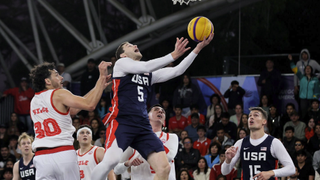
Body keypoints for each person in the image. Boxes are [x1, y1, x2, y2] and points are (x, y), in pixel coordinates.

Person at [92, 35, 213, 180]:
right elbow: (145, 65)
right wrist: (173, 55)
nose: (134, 45)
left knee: (164, 168)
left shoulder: (148, 75)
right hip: (123, 122)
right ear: (123, 55)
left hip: (143, 126)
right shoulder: (121, 64)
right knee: (111, 161)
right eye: (129, 45)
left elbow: (178, 71)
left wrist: (197, 49)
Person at [29, 60, 111, 179]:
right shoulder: (59, 93)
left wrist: (98, 87)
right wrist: (101, 78)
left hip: (41, 158)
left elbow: (74, 109)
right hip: (63, 154)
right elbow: (90, 105)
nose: (61, 78)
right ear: (47, 81)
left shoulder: (33, 101)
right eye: (56, 75)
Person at [221, 107, 295, 179]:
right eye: (250, 116)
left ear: (264, 121)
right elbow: (224, 172)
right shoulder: (240, 143)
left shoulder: (274, 142)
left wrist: (270, 173)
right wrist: (228, 160)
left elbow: (291, 169)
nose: (251, 117)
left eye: (256, 115)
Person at [113, 104, 179, 180]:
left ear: (164, 122)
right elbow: (117, 170)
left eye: (163, 112)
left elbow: (169, 156)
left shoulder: (171, 137)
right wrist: (128, 163)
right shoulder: (134, 139)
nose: (160, 111)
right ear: (147, 117)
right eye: (156, 110)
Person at [289, 49, 320, 115]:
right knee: (303, 113)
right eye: (306, 69)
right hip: (303, 99)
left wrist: (314, 100)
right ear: (304, 71)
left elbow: (317, 91)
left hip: (311, 99)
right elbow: (294, 69)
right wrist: (291, 61)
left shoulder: (315, 80)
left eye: (309, 69)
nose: (307, 69)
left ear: (311, 70)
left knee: (311, 114)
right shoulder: (302, 77)